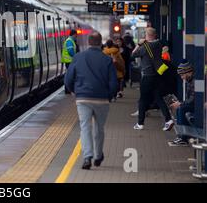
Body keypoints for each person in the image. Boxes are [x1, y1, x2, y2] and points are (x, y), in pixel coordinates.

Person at [64, 31, 118, 170]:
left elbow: (68, 79)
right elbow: (114, 83)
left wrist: (75, 91)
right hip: (102, 99)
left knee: (85, 127)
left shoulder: (78, 57)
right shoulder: (107, 60)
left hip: (83, 99)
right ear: (101, 43)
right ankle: (98, 156)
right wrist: (109, 96)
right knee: (99, 128)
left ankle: (87, 157)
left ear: (88, 42)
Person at [131, 27, 174, 131]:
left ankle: (140, 123)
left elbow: (133, 55)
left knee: (143, 100)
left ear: (147, 35)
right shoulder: (159, 44)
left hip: (147, 76)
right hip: (158, 75)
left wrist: (139, 44)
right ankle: (168, 120)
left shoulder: (145, 46)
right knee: (158, 98)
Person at [168, 60, 195, 146]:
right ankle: (181, 136)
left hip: (198, 106)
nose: (181, 77)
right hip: (194, 105)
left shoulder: (195, 81)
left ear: (188, 72)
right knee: (180, 108)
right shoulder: (190, 81)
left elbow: (194, 99)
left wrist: (180, 104)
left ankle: (183, 138)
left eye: (182, 75)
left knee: (181, 109)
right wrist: (180, 103)